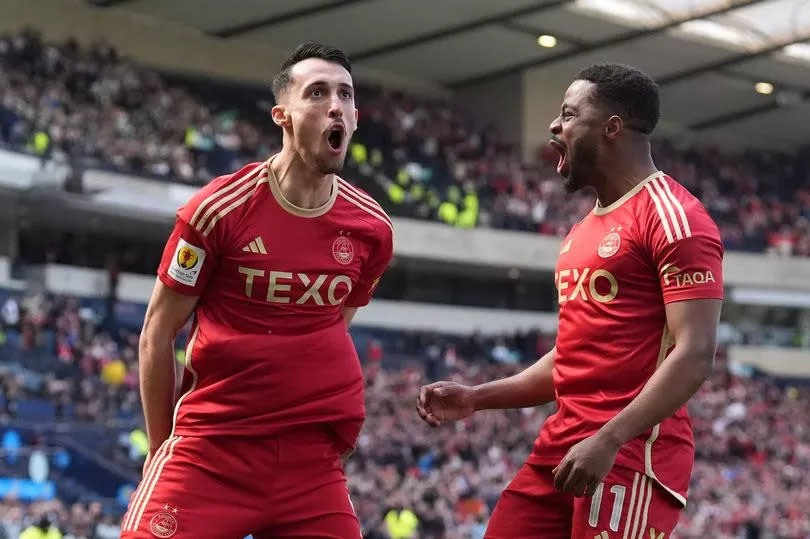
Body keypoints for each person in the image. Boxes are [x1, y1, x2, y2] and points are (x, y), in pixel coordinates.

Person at [417, 64, 724, 538]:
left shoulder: (676, 218)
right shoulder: (582, 233)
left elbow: (696, 352)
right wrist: (478, 398)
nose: (554, 127)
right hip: (561, 448)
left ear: (611, 128)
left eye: (567, 114)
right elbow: (573, 355)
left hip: (630, 456)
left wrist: (610, 439)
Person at [121, 42, 394, 538]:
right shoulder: (219, 209)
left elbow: (329, 328)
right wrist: (162, 448)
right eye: (317, 92)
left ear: (354, 118)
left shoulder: (372, 228)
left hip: (310, 468)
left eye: (345, 95)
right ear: (282, 116)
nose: (336, 104)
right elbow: (156, 335)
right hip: (209, 454)